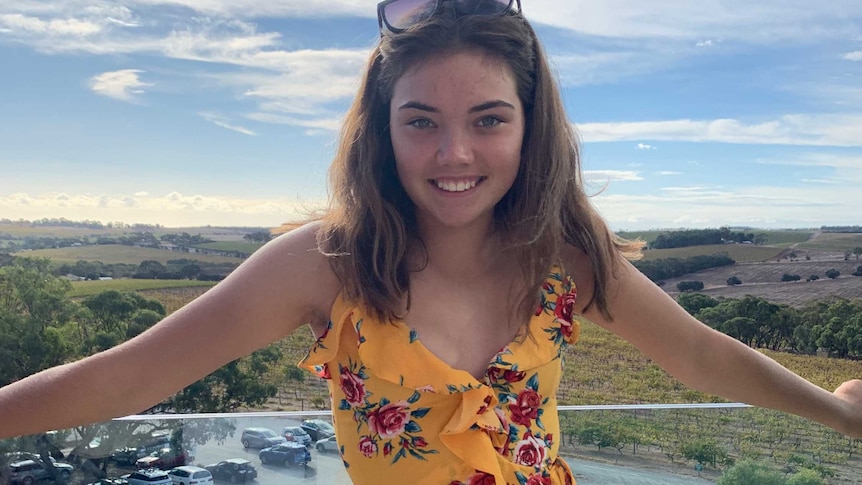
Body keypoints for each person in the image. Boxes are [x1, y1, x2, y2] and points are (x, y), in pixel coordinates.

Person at [1, 0, 861, 484]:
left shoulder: (567, 259)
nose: (454, 154)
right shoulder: (324, 265)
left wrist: (843, 414)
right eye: (421, 122)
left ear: (530, 129)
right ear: (382, 131)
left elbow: (704, 357)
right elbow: (122, 375)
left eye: (488, 119)